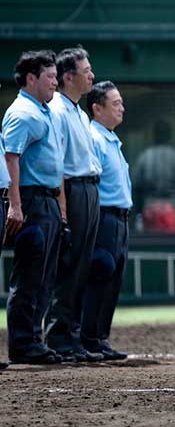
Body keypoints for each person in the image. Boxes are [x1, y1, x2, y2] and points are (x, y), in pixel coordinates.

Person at [2, 51, 64, 365]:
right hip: (30, 200)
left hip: (47, 199)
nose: (56, 81)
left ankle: (33, 341)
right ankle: (23, 344)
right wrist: (15, 205)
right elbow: (10, 158)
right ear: (31, 78)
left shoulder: (43, 111)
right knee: (29, 275)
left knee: (44, 275)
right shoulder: (23, 113)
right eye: (50, 76)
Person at [46, 47, 104, 363]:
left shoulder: (79, 112)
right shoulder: (57, 110)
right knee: (69, 266)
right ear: (68, 77)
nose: (91, 76)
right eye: (86, 71)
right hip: (74, 190)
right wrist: (64, 206)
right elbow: (59, 165)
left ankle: (73, 336)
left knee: (83, 266)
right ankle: (58, 336)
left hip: (90, 190)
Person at [82, 81, 131, 361]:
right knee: (100, 272)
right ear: (97, 109)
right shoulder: (95, 139)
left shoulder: (111, 138)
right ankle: (88, 337)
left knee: (113, 279)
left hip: (121, 219)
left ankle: (100, 337)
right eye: (115, 104)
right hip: (104, 217)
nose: (121, 108)